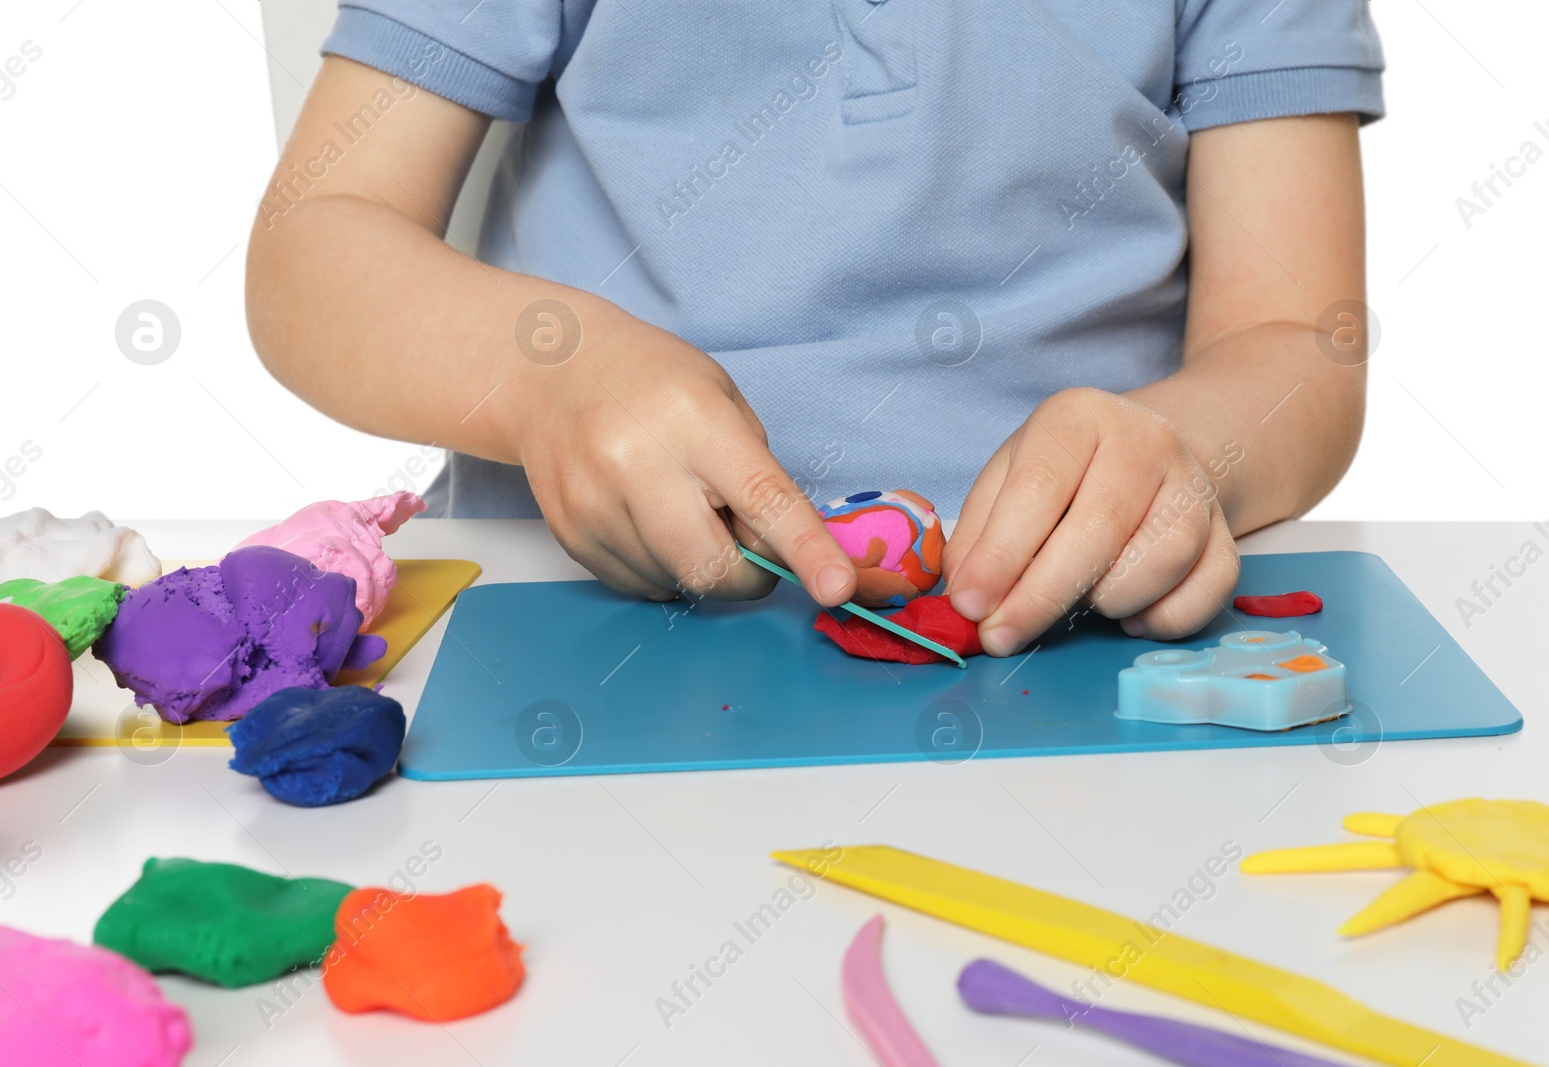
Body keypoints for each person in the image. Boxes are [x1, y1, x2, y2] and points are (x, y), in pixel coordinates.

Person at [246, 0, 1383, 657]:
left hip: (1085, 627)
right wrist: (550, 375)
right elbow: (313, 255)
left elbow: (1297, 339)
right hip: (581, 621)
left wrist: (1184, 453)